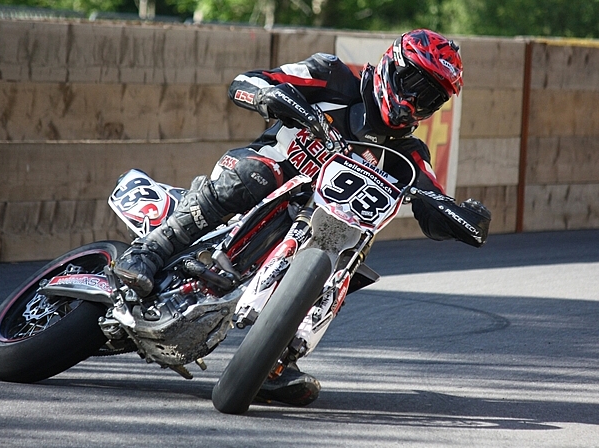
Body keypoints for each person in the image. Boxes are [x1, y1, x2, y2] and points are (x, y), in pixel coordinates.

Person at [114, 29, 491, 406]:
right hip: (262, 176)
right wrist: (272, 94)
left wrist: (462, 218)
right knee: (258, 174)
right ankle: (149, 250)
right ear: (393, 65)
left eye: (431, 97)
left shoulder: (410, 155)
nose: (415, 100)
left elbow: (432, 201)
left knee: (354, 259)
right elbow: (246, 82)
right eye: (414, 84)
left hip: (320, 222)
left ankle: (276, 361)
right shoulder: (332, 77)